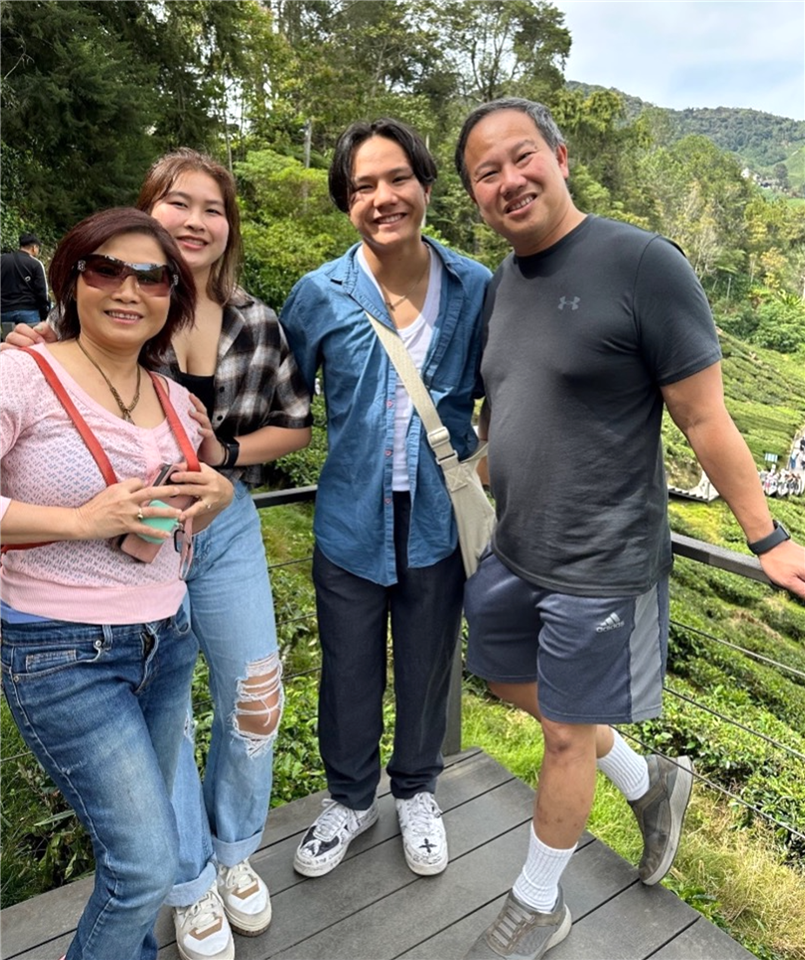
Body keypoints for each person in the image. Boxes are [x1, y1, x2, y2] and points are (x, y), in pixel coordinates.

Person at [453, 98, 805, 960]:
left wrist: (767, 538)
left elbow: (706, 419)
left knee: (567, 732)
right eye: (485, 172)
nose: (508, 180)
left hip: (603, 562)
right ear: (474, 193)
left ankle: (537, 903)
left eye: (521, 156)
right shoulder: (500, 283)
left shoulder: (642, 263)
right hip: (514, 548)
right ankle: (649, 781)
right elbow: (505, 404)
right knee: (501, 679)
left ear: (560, 155)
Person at [6, 150, 313, 960]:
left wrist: (225, 462)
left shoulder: (252, 321)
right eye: (177, 202)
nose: (195, 220)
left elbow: (294, 423)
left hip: (214, 518)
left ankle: (233, 853)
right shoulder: (66, 334)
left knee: (253, 691)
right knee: (155, 748)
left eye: (213, 207)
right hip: (87, 579)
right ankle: (181, 880)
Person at [0, 207, 234, 960]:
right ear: (70, 278)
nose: (128, 289)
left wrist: (216, 490)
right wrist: (77, 522)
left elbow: (200, 475)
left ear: (174, 295)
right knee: (143, 868)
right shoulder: (21, 375)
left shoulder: (172, 397)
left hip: (165, 643)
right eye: (106, 269)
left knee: (152, 845)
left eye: (153, 276)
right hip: (61, 654)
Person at [280, 118, 490, 880]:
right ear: (346, 202)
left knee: (430, 664)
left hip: (437, 518)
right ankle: (347, 798)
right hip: (348, 517)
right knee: (348, 668)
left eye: (396, 178)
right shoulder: (318, 294)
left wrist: (490, 462)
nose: (382, 197)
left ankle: (417, 790)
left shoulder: (474, 286)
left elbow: (504, 389)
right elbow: (282, 400)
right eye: (362, 185)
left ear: (426, 186)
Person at [0, 232, 50, 339]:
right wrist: (44, 314)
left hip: (5, 311)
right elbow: (42, 292)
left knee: (9, 346)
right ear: (34, 248)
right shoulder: (35, 264)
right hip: (29, 311)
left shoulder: (2, 260)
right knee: (33, 344)